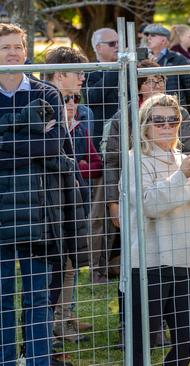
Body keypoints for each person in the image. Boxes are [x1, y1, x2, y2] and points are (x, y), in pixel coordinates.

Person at [0, 22, 82, 366]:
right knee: (2, 298)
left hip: (40, 213)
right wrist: (29, 139)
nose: (13, 53)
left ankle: (39, 360)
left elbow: (53, 145)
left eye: (18, 47)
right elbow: (39, 144)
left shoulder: (45, 93)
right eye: (5, 48)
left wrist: (5, 138)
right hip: (1, 214)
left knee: (37, 297)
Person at [125, 93, 190, 365]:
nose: (166, 126)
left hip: (183, 257)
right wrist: (183, 176)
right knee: (142, 343)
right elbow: (149, 205)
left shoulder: (182, 159)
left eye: (172, 120)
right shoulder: (134, 159)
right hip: (148, 261)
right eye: (158, 120)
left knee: (187, 341)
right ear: (145, 125)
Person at [44, 46, 101, 343]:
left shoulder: (78, 110)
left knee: (68, 264)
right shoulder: (43, 103)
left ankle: (63, 318)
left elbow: (90, 158)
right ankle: (48, 329)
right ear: (60, 74)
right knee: (51, 271)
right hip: (46, 204)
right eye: (78, 73)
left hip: (70, 199)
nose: (82, 78)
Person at [143, 24, 190, 115]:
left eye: (153, 35)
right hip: (148, 110)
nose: (148, 38)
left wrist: (182, 105)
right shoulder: (142, 60)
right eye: (147, 35)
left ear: (163, 40)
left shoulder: (178, 59)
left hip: (174, 110)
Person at [84, 27, 119, 148]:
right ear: (98, 47)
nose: (118, 46)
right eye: (112, 43)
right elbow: (92, 97)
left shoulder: (129, 68)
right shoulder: (89, 71)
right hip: (101, 137)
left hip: (129, 132)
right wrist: (116, 68)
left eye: (119, 42)